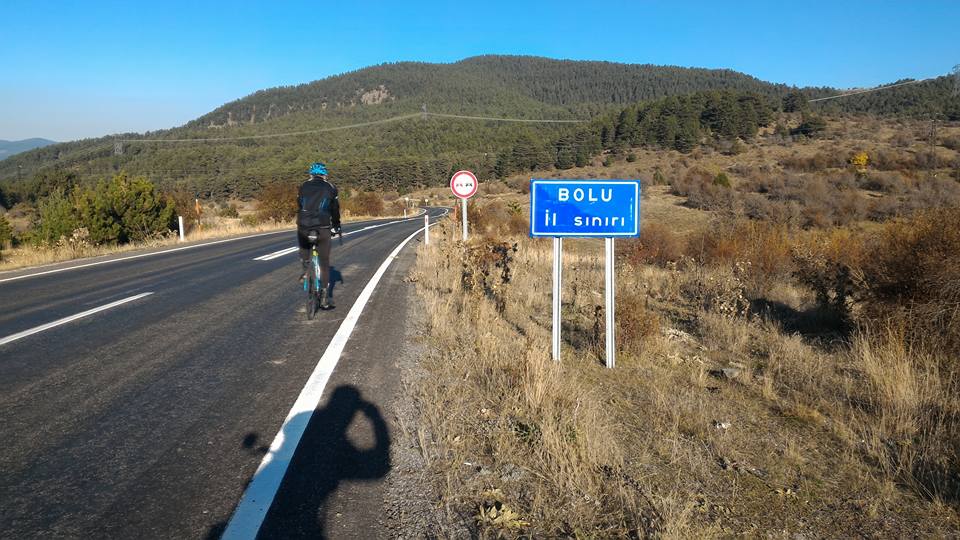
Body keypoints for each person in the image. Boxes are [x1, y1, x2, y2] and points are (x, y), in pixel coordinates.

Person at [297, 162, 341, 308]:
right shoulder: (331, 187)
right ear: (325, 174)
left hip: (304, 225)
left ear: (311, 174)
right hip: (323, 226)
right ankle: (324, 294)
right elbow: (335, 210)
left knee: (304, 244)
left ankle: (305, 267)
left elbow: (300, 204)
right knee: (324, 261)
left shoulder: (303, 186)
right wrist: (336, 226)